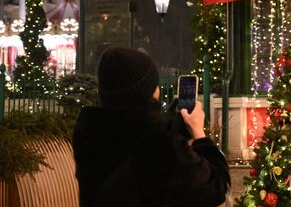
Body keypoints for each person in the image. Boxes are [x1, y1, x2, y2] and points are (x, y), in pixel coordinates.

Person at [73, 47, 230, 207]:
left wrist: (177, 124)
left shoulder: (89, 132)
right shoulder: (161, 144)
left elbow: (131, 126)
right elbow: (214, 189)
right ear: (147, 91)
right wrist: (199, 133)